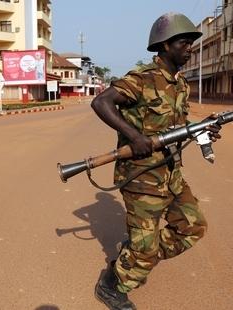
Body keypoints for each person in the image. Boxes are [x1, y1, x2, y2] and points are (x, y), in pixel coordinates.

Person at [90, 12, 222, 310]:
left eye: (191, 43)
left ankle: (135, 257)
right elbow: (101, 102)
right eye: (183, 42)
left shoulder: (181, 85)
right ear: (164, 46)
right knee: (144, 248)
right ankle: (112, 285)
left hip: (171, 173)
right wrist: (134, 136)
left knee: (192, 227)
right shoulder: (142, 79)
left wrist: (204, 131)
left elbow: (178, 126)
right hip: (141, 177)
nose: (190, 48)